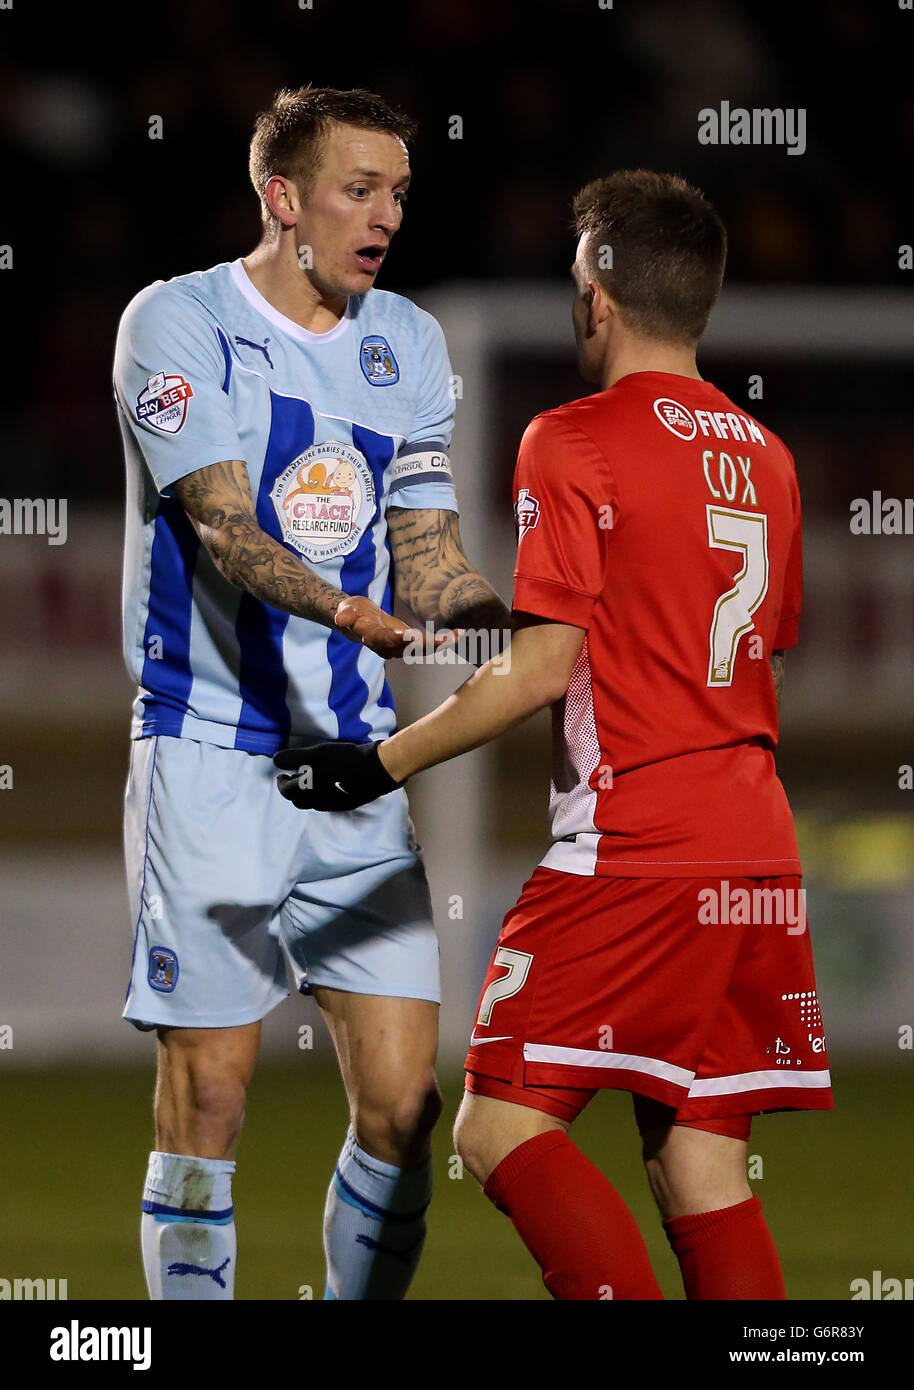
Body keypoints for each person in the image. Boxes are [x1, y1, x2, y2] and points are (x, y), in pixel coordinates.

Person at [281, 170, 833, 1301]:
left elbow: (541, 672)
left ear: (597, 296)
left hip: (640, 835)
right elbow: (751, 655)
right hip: (756, 837)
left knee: (495, 1124)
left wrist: (376, 762)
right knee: (698, 1163)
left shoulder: (571, 439)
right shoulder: (767, 458)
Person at [112, 85, 510, 1301]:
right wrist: (348, 609)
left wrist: (512, 619)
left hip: (352, 765)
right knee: (212, 1093)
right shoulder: (175, 321)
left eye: (397, 190)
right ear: (281, 199)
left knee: (403, 1103)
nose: (385, 213)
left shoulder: (411, 345)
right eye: (358, 188)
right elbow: (227, 527)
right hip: (208, 751)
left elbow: (426, 555)